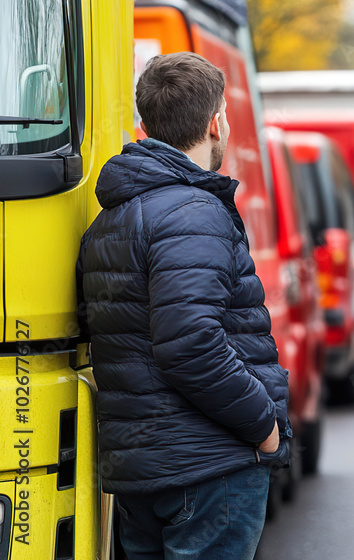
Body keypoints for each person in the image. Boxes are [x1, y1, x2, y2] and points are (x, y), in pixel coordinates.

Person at [76, 52, 291, 560]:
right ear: (216, 122)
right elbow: (192, 344)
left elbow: (107, 337)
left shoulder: (109, 219)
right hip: (209, 466)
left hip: (142, 475)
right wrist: (264, 427)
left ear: (144, 125)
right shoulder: (195, 210)